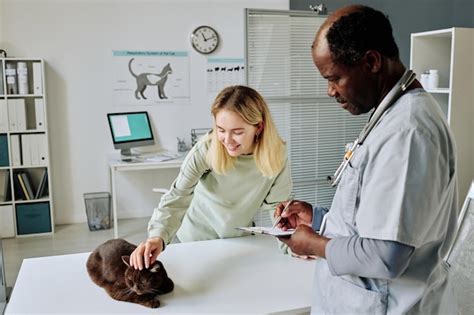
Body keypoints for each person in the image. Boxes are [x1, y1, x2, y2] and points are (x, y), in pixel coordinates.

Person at [276, 5, 458, 314]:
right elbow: (374, 218)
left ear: (371, 62)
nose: (330, 91)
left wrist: (313, 244)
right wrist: (318, 219)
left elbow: (387, 255)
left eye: (334, 78)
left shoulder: (408, 131)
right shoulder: (392, 115)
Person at [130, 85, 292, 270]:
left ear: (259, 127)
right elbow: (178, 195)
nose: (227, 140)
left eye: (237, 132)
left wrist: (292, 247)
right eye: (221, 130)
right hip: (194, 238)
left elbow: (279, 208)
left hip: (237, 238)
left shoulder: (277, 154)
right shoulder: (206, 149)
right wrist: (157, 236)